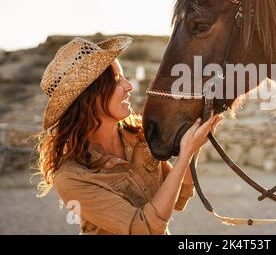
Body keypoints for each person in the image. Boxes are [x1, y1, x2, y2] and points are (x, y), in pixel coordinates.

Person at [35, 36, 221, 234]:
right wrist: (185, 155)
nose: (129, 86)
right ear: (89, 97)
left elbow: (180, 197)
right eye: (116, 81)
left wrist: (195, 141)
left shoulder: (139, 136)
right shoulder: (71, 178)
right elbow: (144, 228)